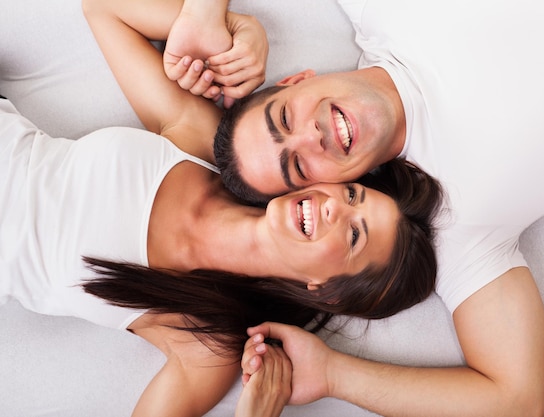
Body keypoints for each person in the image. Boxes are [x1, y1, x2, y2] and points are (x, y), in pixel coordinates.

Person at [168, 0, 544, 416]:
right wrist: (333, 375)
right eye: (300, 167)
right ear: (325, 190)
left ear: (296, 80)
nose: (313, 137)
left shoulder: (380, 11)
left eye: (286, 118)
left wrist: (206, 15)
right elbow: (517, 402)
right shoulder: (453, 220)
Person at [1, 2, 444, 417]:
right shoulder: (202, 148)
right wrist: (233, 27)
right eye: (352, 196)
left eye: (353, 236)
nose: (334, 208)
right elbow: (105, 8)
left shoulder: (209, 344)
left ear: (325, 290)